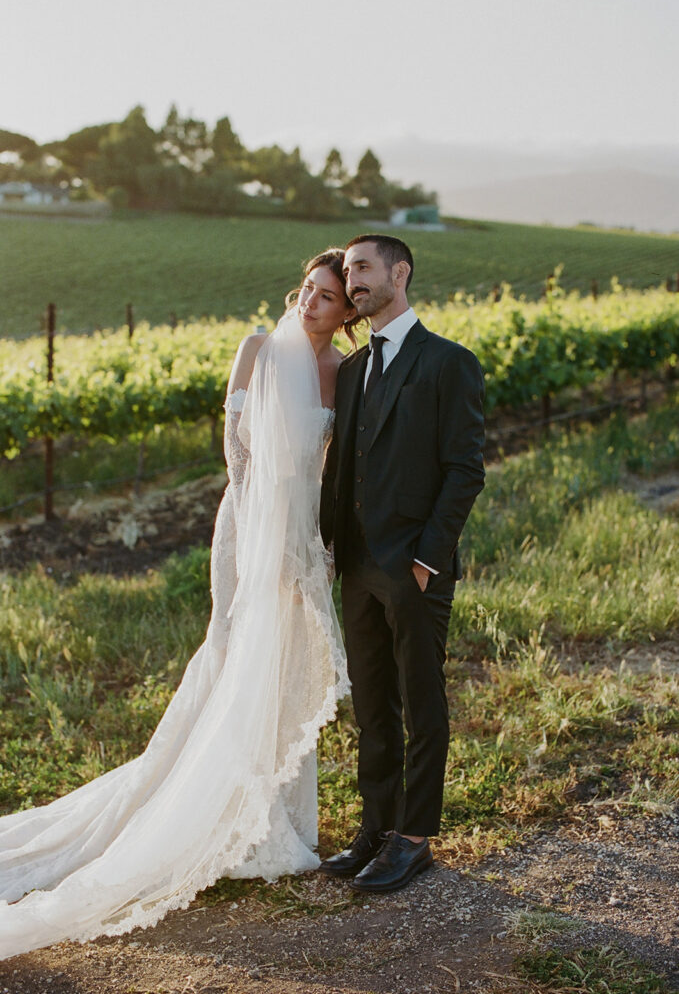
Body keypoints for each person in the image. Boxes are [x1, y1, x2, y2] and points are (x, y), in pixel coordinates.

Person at [0, 248, 357, 960]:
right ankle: (205, 805)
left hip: (304, 530)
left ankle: (272, 818)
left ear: (348, 311)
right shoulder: (259, 347)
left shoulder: (344, 372)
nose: (308, 303)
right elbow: (235, 447)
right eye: (305, 289)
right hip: (251, 525)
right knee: (237, 654)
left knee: (285, 665)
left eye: (325, 297)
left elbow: (333, 463)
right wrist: (266, 537)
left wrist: (313, 544)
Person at [319, 235, 485, 893]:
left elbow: (463, 470)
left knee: (420, 700)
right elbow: (341, 469)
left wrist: (426, 561)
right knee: (372, 707)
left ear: (399, 272)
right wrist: (329, 549)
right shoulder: (355, 369)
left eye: (362, 268)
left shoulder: (448, 362)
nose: (352, 282)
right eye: (347, 273)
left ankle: (412, 838)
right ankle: (374, 828)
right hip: (356, 566)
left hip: (414, 566)